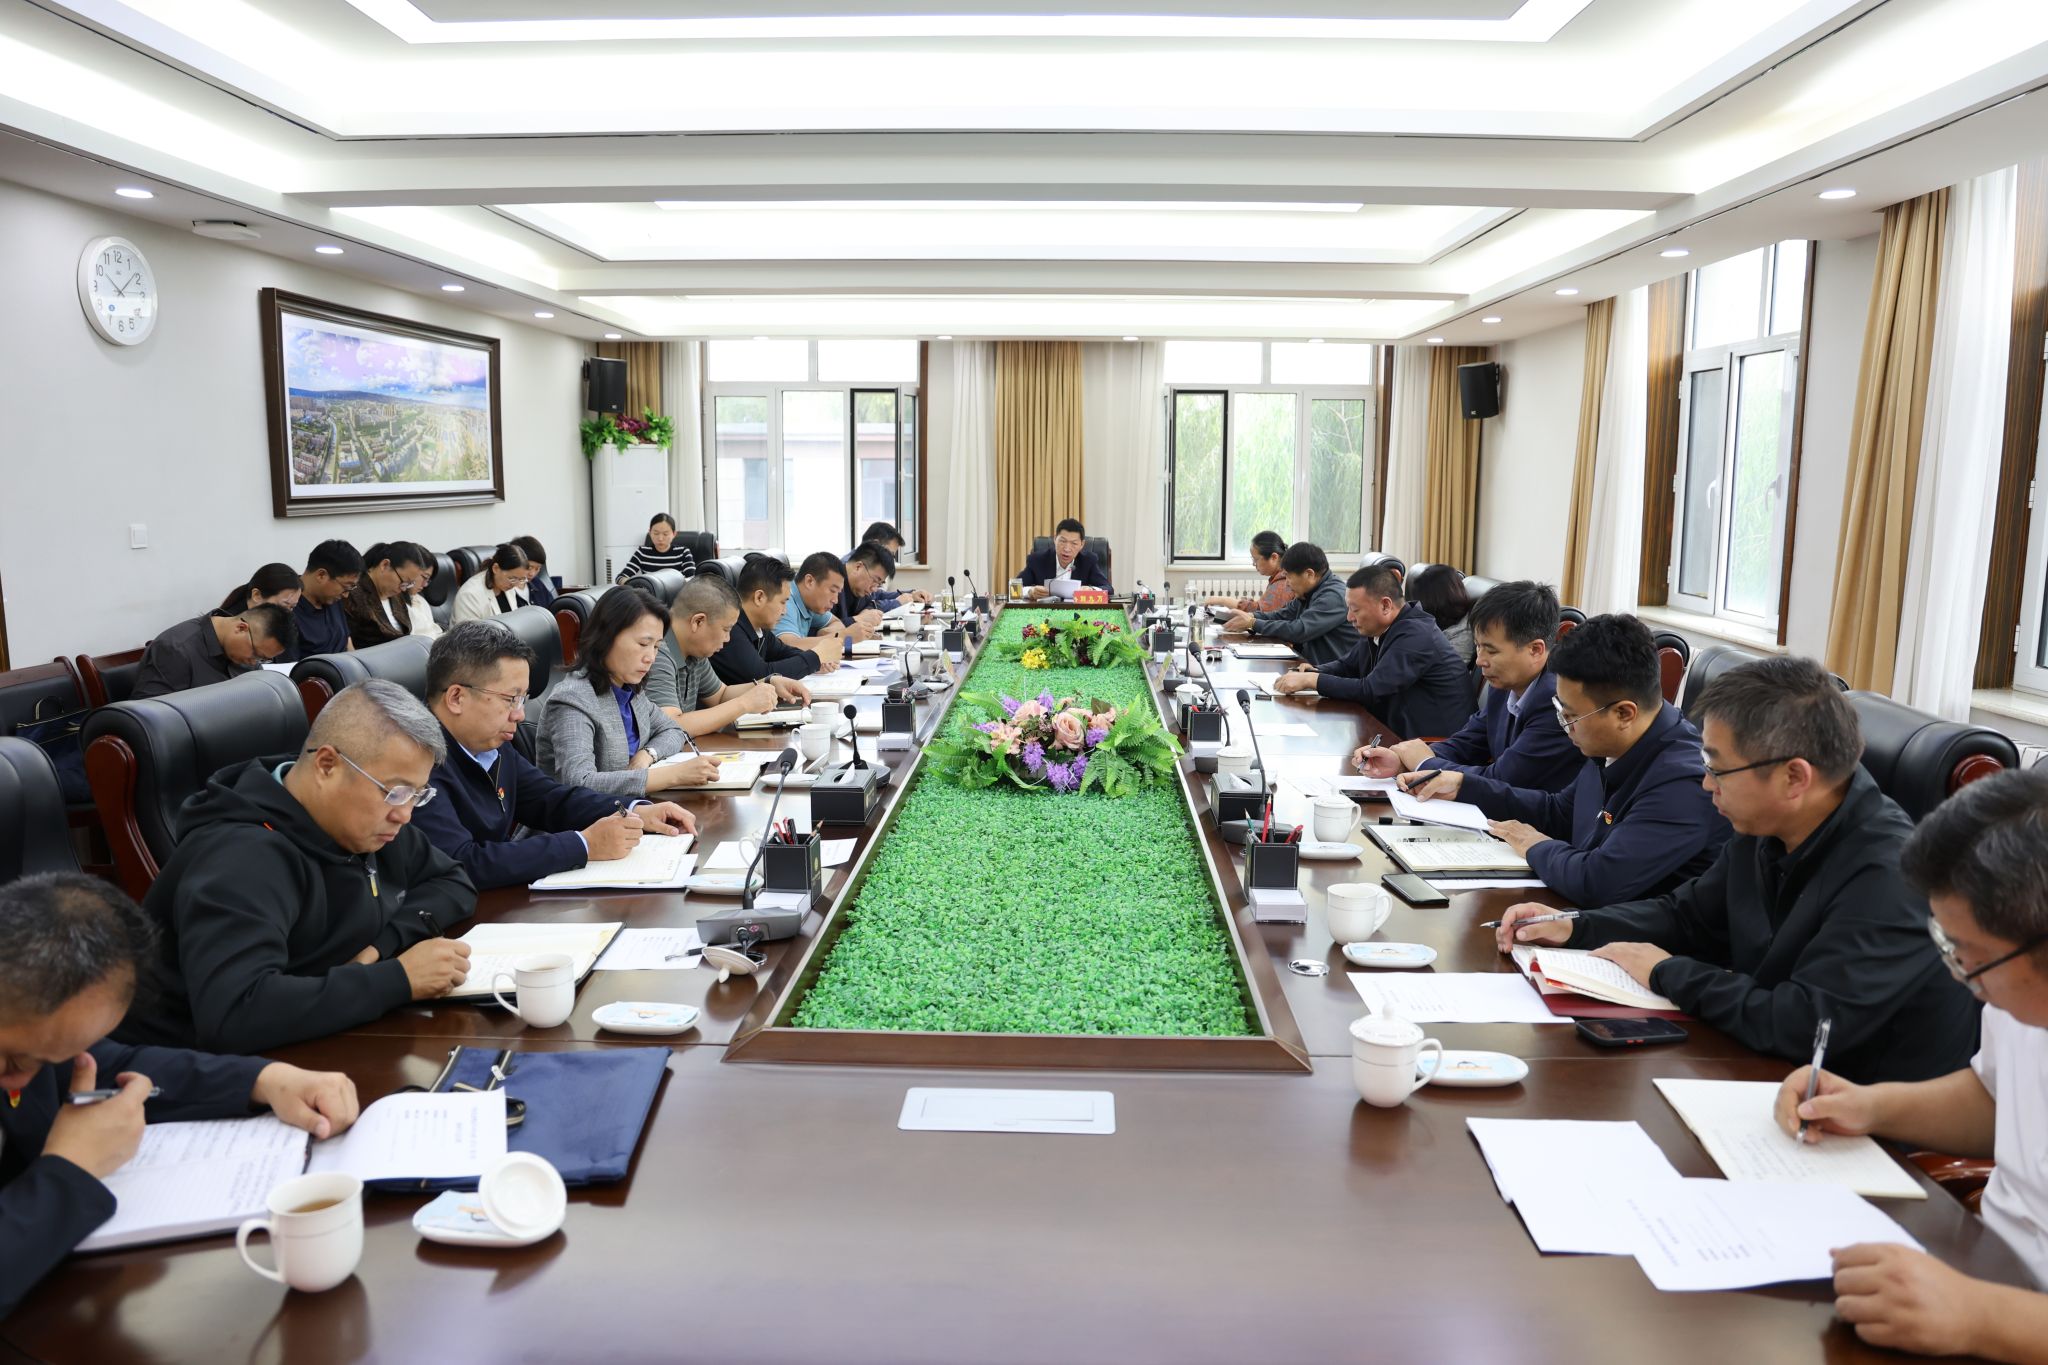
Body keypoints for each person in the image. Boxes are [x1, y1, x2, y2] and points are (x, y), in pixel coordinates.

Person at [1498, 656, 1976, 1082]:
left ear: (1794, 777)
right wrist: (1573, 925)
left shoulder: (1890, 873)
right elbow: (1688, 917)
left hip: (1864, 1118)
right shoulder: (1766, 826)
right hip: (1767, 1072)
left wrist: (1665, 972)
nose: (1706, 785)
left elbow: (1804, 1024)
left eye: (1717, 769)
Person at [1765, 769, 2044, 1360]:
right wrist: (1869, 1105)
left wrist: (1980, 1317)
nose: (1961, 977)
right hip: (1983, 1264)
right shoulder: (2017, 996)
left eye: (1968, 957)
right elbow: (1997, 1100)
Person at [0, 872, 362, 1320]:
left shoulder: (36, 1037)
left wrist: (264, 1079)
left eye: (61, 1053)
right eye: (13, 1061)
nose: (24, 1079)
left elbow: (111, 1064)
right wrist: (69, 1171)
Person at [117, 681, 478, 1054]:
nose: (404, 814)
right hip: (182, 1069)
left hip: (312, 1033)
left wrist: (378, 948)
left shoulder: (368, 823)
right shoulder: (240, 858)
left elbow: (453, 880)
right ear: (327, 765)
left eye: (417, 795)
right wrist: (398, 979)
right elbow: (234, 1013)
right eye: (395, 792)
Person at [1416, 613, 1727, 907]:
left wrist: (1535, 845)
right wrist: (1464, 786)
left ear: (1623, 713)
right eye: (1560, 710)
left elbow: (1599, 881)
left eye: (1572, 716)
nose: (1566, 726)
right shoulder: (1611, 742)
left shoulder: (1684, 782)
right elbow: (1560, 812)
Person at [411, 623, 697, 891]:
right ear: (456, 698)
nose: (520, 714)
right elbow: (461, 862)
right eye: (510, 699)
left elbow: (550, 799)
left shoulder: (488, 742)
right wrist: (583, 845)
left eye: (523, 699)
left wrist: (635, 810)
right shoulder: (416, 762)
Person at [1352, 580, 1580, 794]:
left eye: (1491, 650)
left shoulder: (1557, 702)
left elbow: (1503, 778)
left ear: (1535, 650)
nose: (1480, 661)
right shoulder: (1505, 684)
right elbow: (1469, 742)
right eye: (1478, 646)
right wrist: (1401, 761)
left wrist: (1424, 763)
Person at [537, 587, 718, 796]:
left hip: (632, 808)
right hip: (589, 816)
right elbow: (579, 783)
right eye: (643, 644)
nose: (651, 657)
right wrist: (673, 775)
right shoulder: (573, 699)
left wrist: (647, 754)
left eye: (656, 647)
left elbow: (674, 730)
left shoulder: (629, 689)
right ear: (606, 637)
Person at [1271, 560, 1471, 737]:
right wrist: (1314, 670)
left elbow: (1371, 689)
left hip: (1436, 745)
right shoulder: (1382, 628)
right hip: (1397, 731)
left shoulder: (1416, 635)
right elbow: (1347, 665)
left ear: (1385, 606)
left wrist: (1312, 680)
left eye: (1355, 610)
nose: (1349, 617)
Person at [645, 574, 806, 730]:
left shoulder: (695, 651)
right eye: (726, 629)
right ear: (698, 621)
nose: (728, 639)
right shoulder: (656, 652)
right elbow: (671, 725)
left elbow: (720, 695)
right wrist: (744, 704)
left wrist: (770, 683)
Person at [1222, 542, 1361, 668]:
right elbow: (1283, 614)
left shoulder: (1333, 596)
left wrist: (1253, 623)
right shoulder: (1309, 591)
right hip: (1309, 666)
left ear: (1309, 574)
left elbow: (1300, 630)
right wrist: (1250, 616)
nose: (1287, 583)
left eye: (1288, 576)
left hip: (1332, 674)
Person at [712, 553, 839, 684]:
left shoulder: (759, 628)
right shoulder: (731, 629)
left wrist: (816, 661)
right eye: (782, 602)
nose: (784, 611)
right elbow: (761, 675)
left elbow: (782, 652)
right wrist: (814, 658)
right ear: (759, 597)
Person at [131, 605, 295, 700]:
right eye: (255, 654)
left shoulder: (248, 652)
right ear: (241, 628)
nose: (254, 662)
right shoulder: (176, 649)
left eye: (263, 659)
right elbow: (147, 715)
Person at [282, 540, 363, 661]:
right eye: (345, 587)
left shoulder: (332, 599)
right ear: (321, 575)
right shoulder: (287, 609)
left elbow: (346, 641)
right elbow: (290, 667)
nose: (346, 595)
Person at [343, 541, 427, 650]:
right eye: (403, 581)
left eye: (409, 584)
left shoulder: (396, 593)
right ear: (384, 565)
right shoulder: (353, 593)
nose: (404, 589)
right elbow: (347, 643)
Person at [1203, 532, 1293, 615]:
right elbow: (1263, 606)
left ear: (1274, 557)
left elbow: (1259, 612)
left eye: (1256, 559)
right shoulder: (1278, 578)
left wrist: (1222, 600)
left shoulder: (1283, 583)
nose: (1254, 564)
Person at [777, 552, 850, 653]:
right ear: (809, 581)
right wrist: (843, 637)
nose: (835, 600)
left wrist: (826, 632)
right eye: (833, 591)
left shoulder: (810, 602)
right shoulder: (785, 601)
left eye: (838, 593)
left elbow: (836, 622)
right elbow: (789, 646)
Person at [1017, 519, 1111, 595]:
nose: (1067, 549)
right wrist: (1030, 592)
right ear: (1055, 539)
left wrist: (1091, 590)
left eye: (1074, 543)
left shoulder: (1088, 561)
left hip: (1076, 611)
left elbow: (1108, 589)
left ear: (1082, 544)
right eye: (1062, 541)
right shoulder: (1037, 560)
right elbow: (1015, 588)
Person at [853, 521, 932, 608]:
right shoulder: (852, 568)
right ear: (875, 545)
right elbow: (865, 609)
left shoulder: (868, 567)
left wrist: (911, 595)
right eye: (889, 554)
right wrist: (896, 603)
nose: (891, 560)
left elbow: (877, 595)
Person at [450, 543, 533, 625]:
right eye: (512, 578)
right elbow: (469, 633)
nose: (516, 584)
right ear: (495, 568)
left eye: (521, 579)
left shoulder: (508, 586)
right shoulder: (469, 595)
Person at [1409, 564, 1475, 667]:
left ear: (1433, 602)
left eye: (1421, 600)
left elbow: (1446, 669)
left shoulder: (1462, 634)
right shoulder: (1433, 619)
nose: (1418, 605)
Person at [831, 542, 894, 640]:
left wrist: (867, 612)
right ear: (858, 567)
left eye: (879, 584)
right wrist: (858, 619)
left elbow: (873, 601)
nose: (874, 589)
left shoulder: (861, 589)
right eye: (875, 580)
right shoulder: (831, 584)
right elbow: (820, 631)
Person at [613, 513, 695, 585]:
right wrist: (635, 584)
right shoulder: (642, 553)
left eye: (665, 534)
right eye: (656, 533)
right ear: (650, 532)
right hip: (649, 595)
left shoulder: (683, 553)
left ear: (674, 534)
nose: (660, 538)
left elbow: (692, 579)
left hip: (676, 595)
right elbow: (620, 577)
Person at [213, 562, 300, 617]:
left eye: (292, 607)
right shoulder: (233, 627)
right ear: (256, 595)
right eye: (284, 605)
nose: (288, 614)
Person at [404, 544, 444, 641]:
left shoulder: (420, 600)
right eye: (424, 577)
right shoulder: (396, 605)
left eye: (428, 580)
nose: (425, 584)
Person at [510, 536, 555, 609]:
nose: (532, 574)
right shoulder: (506, 588)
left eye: (537, 569)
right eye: (529, 568)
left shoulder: (537, 583)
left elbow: (552, 609)